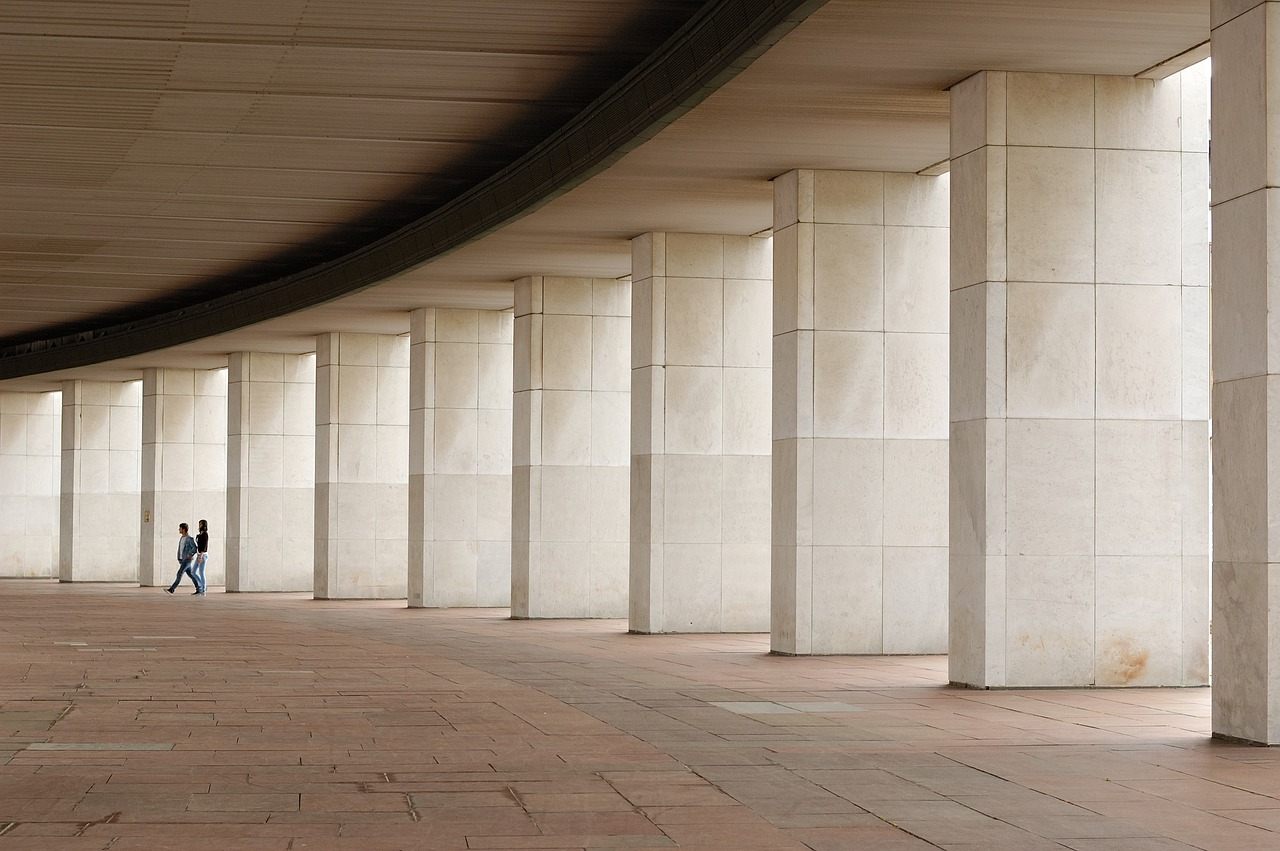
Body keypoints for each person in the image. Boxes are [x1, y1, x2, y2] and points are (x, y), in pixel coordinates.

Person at [166, 523, 199, 595]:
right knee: (191, 574)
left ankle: (172, 589)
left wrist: (189, 554)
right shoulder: (182, 538)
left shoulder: (190, 539)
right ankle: (199, 588)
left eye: (180, 528)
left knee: (179, 573)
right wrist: (179, 558)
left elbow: (194, 548)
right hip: (182, 559)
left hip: (187, 559)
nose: (179, 529)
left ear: (183, 529)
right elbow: (180, 549)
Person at [193, 519, 210, 595]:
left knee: (201, 572)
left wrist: (201, 556)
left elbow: (205, 546)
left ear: (204, 525)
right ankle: (202, 585)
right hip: (198, 554)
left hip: (203, 555)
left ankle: (203, 589)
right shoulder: (200, 534)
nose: (199, 525)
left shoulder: (205, 534)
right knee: (193, 572)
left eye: (200, 524)